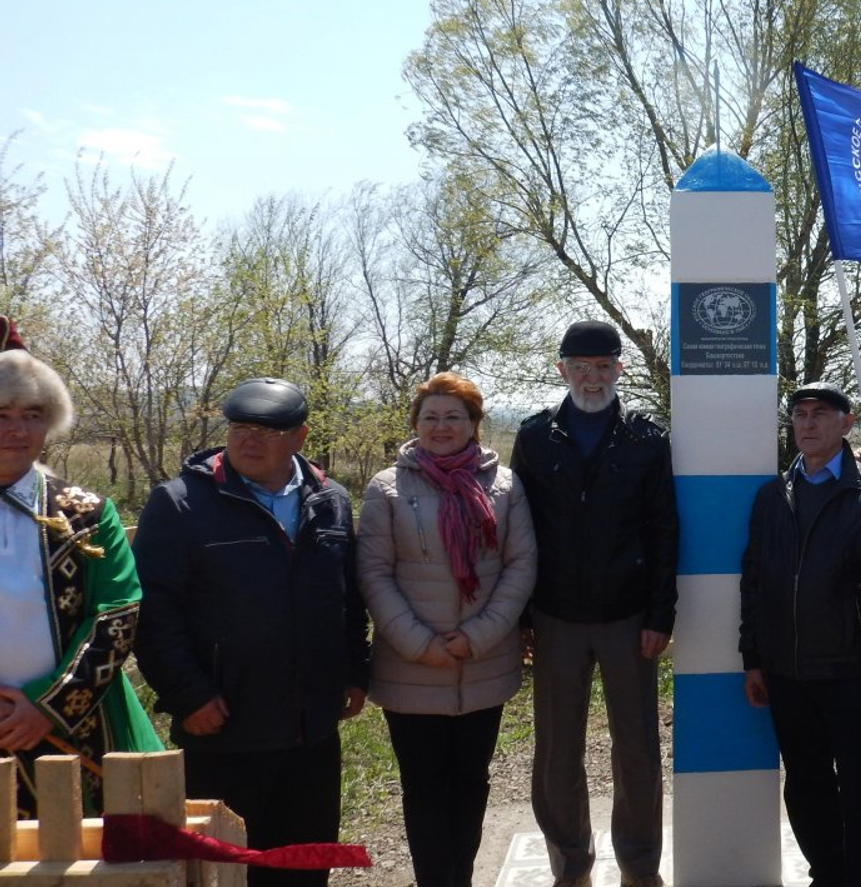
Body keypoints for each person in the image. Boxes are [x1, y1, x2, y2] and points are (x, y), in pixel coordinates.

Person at [134, 378, 369, 887]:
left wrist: (355, 670)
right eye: (240, 427)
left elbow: (348, 598)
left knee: (306, 863)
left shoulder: (329, 500)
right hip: (223, 727)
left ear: (299, 437)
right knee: (226, 870)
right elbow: (152, 612)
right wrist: (187, 694)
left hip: (311, 732)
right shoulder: (181, 504)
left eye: (267, 430)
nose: (249, 439)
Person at [510, 321, 677, 887]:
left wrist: (660, 614)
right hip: (554, 616)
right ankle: (571, 867)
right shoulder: (535, 437)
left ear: (619, 370)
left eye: (603, 367)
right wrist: (523, 617)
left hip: (629, 617)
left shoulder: (646, 439)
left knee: (638, 749)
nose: (592, 378)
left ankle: (639, 867)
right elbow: (519, 532)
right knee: (557, 751)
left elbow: (664, 530)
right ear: (562, 370)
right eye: (580, 367)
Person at [358, 373, 536, 887]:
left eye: (454, 417)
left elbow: (521, 564)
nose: (442, 427)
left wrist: (478, 635)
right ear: (415, 423)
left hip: (484, 664)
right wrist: (420, 644)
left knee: (471, 783)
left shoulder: (505, 486)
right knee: (423, 788)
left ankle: (460, 877)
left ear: (474, 424)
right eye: (431, 417)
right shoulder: (387, 487)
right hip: (410, 668)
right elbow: (373, 572)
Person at [740, 382, 861, 887]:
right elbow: (755, 581)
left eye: (820, 413)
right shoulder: (772, 497)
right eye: (800, 414)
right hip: (787, 671)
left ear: (847, 423)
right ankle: (828, 874)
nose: (808, 423)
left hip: (853, 670)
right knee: (806, 783)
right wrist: (754, 658)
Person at [0, 346, 161, 817]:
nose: (17, 429)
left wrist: (47, 706)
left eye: (32, 415)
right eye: (1, 414)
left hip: (71, 728)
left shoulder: (85, 514)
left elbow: (118, 612)